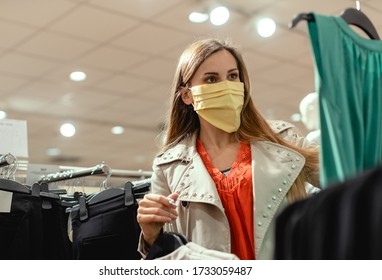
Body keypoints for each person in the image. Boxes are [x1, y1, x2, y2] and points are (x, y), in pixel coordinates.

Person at [136, 38, 320, 260]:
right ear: (187, 95)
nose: (226, 86)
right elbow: (167, 254)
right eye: (211, 79)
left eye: (233, 76)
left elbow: (346, 175)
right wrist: (149, 236)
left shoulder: (282, 140)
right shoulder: (168, 166)